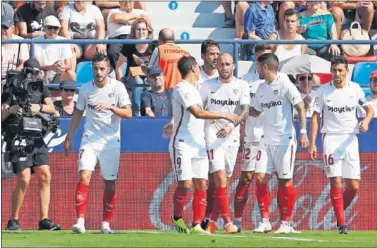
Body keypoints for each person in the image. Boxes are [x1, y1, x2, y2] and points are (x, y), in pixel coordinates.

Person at [165, 55, 240, 235]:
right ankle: (177, 217)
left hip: (198, 143)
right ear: (193, 69)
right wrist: (225, 115)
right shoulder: (182, 89)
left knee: (202, 183)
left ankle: (197, 224)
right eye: (198, 68)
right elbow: (197, 113)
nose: (200, 70)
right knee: (185, 184)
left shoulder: (196, 88)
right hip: (182, 143)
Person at [63, 54, 132, 234]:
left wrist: (111, 108)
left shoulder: (118, 87)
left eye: (102, 69)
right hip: (90, 139)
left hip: (110, 142)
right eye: (95, 68)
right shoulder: (85, 89)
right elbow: (78, 113)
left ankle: (106, 223)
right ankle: (80, 221)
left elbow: (128, 113)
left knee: (109, 183)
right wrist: (69, 136)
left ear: (108, 69)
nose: (98, 72)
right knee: (84, 176)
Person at [309, 56, 374, 234]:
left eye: (340, 70)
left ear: (346, 71)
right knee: (336, 180)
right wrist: (313, 143)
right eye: (334, 70)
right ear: (331, 71)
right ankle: (341, 224)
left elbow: (369, 109)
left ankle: (337, 212)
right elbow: (315, 117)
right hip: (330, 138)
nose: (337, 74)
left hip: (350, 139)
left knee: (353, 186)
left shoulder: (355, 90)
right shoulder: (322, 91)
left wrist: (367, 122)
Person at [249, 53, 309, 234]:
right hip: (266, 140)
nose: (256, 70)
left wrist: (303, 132)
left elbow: (300, 106)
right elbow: (255, 111)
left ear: (265, 67)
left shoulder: (284, 83)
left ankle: (286, 223)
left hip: (285, 140)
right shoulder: (260, 89)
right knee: (260, 177)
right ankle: (265, 221)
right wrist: (237, 109)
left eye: (258, 67)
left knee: (285, 181)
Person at [2, 58, 60, 231]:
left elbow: (52, 109)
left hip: (36, 135)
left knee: (45, 175)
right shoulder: (11, 86)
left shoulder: (41, 87)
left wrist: (39, 107)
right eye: (30, 72)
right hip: (17, 135)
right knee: (24, 178)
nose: (33, 76)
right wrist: (9, 110)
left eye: (36, 73)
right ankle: (13, 220)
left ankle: (44, 220)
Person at [200, 53, 250, 234]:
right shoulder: (207, 85)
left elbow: (245, 110)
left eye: (228, 64)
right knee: (220, 177)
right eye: (221, 64)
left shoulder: (242, 85)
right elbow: (199, 110)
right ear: (216, 65)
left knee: (222, 181)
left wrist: (231, 127)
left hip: (232, 137)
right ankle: (228, 223)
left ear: (234, 66)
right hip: (212, 136)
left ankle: (212, 221)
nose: (224, 67)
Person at [232, 44, 271, 232]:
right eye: (260, 57)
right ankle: (237, 219)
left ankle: (265, 219)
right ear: (255, 60)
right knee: (246, 177)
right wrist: (240, 135)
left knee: (262, 177)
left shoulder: (279, 80)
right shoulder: (245, 81)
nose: (263, 61)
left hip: (270, 136)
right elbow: (242, 110)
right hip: (251, 135)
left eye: (266, 57)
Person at [34, 15, 76, 84]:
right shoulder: (36, 41)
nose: (52, 31)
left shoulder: (64, 41)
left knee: (71, 73)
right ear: (44, 28)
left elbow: (68, 65)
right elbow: (36, 65)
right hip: (43, 71)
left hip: (59, 72)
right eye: (50, 28)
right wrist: (51, 67)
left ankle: (70, 93)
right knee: (38, 73)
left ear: (59, 29)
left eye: (55, 28)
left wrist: (61, 67)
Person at [1, 8, 29, 83]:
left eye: (5, 27)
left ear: (12, 29)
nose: (2, 30)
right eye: (1, 27)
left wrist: (14, 74)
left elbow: (24, 63)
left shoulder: (20, 41)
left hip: (14, 79)